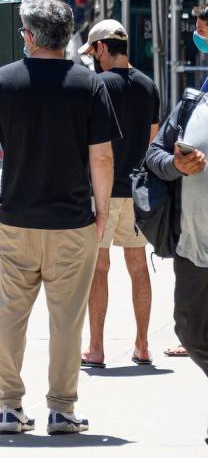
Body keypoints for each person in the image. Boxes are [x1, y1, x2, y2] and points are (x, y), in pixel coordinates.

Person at [0, 0, 120, 435]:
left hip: (14, 220)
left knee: (9, 317)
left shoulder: (2, 81)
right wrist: (101, 213)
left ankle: (9, 407)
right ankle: (60, 407)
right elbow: (103, 159)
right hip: (72, 223)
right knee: (66, 320)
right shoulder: (89, 84)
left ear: (29, 36)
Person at [75, 20, 160, 368]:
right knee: (138, 267)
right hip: (139, 192)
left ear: (102, 48)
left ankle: (96, 347)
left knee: (100, 268)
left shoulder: (97, 86)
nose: (93, 59)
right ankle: (142, 345)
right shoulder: (149, 86)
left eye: (93, 51)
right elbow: (154, 141)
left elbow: (88, 142)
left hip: (102, 190)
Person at [145, 81, 208, 435]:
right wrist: (175, 164)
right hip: (192, 245)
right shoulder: (192, 104)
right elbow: (153, 155)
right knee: (188, 329)